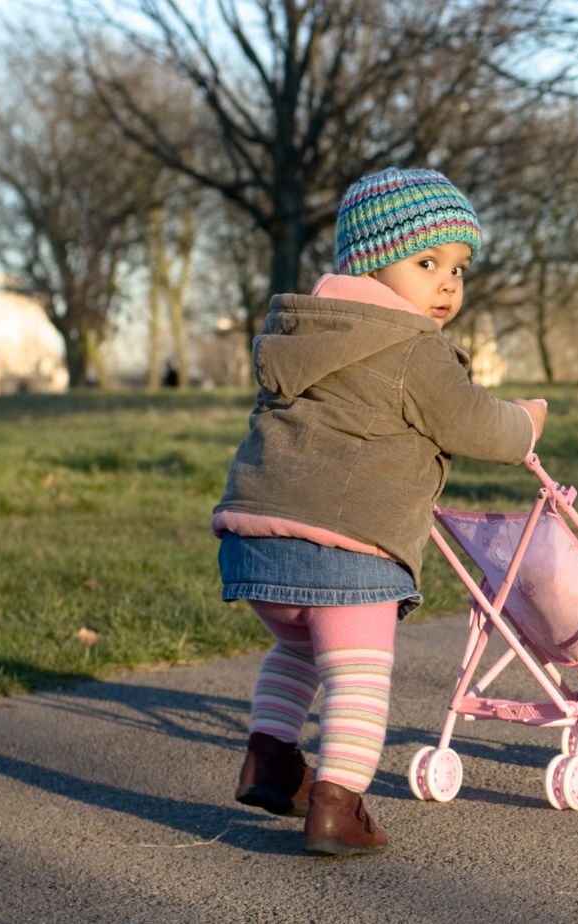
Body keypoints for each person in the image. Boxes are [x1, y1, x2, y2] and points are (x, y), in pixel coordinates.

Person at [213, 167, 547, 857]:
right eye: (428, 263)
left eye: (459, 268)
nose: (448, 284)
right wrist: (526, 422)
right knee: (359, 672)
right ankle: (338, 804)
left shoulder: (302, 331)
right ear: (368, 260)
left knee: (296, 644)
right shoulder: (411, 347)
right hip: (349, 545)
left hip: (253, 539)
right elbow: (473, 424)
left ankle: (270, 760)